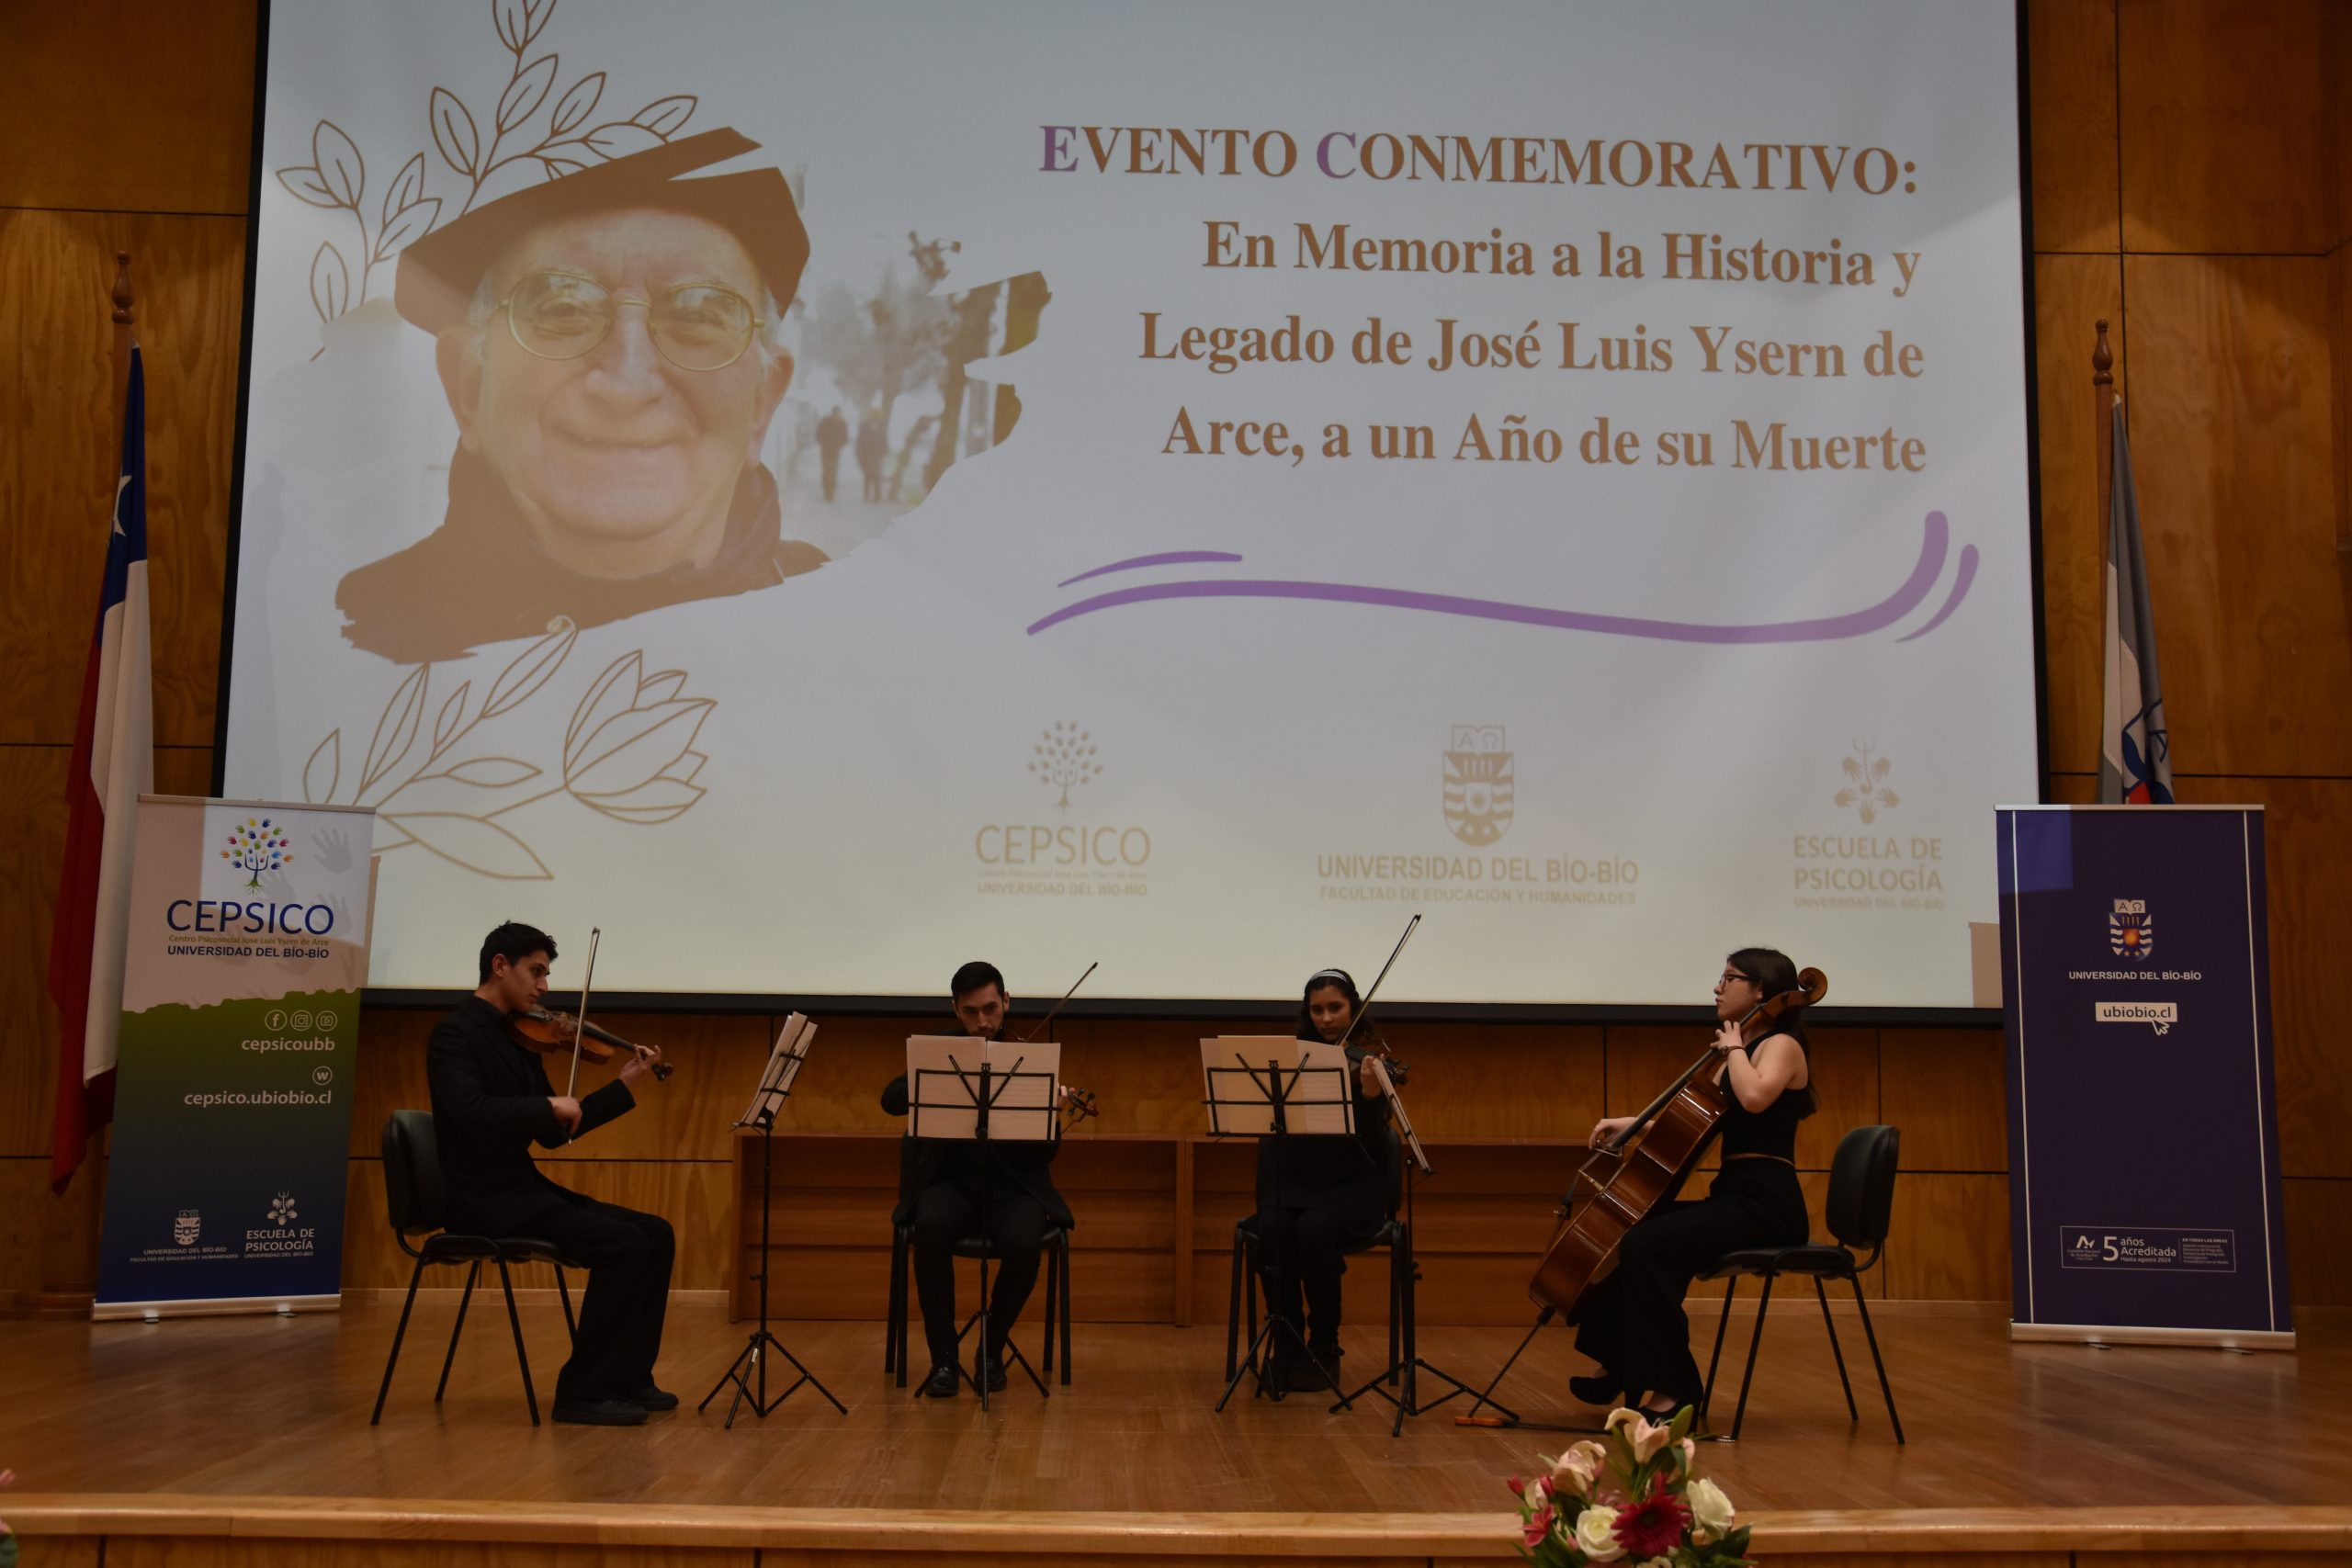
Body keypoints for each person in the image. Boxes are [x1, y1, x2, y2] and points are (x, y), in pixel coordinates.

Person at [337, 129, 828, 661]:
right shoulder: (335, 644)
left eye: (696, 317)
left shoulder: (851, 626)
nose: (626, 384)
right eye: (562, 310)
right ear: (468, 386)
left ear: (761, 404)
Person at [424, 921, 673, 1426]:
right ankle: (584, 1391)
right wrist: (544, 1105)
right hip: (482, 1198)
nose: (544, 986)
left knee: (656, 1233)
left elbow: (555, 1132)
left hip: (522, 1189)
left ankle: (628, 1377)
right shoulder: (454, 1035)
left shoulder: (521, 1036)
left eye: (547, 974)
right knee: (623, 1244)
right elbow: (469, 1110)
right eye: (536, 972)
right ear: (500, 966)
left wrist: (623, 1084)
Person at [1570, 947, 1815, 1422]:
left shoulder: (1780, 1045)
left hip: (1768, 1207)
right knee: (1636, 1229)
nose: (1717, 987)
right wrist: (1631, 1122)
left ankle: (1676, 1389)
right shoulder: (1738, 1052)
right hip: (1736, 1198)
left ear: (1761, 990)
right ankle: (1620, 1357)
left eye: (1730, 978)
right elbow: (1692, 1126)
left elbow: (1756, 1097)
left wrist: (1734, 1048)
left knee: (1650, 1244)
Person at [881, 961, 1071, 1398]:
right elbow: (890, 1100)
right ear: (955, 1009)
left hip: (1013, 1190)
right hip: (950, 1187)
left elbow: (1044, 1156)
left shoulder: (1028, 1060)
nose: (982, 1023)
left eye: (990, 1009)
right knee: (929, 1229)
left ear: (1006, 1002)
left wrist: (1050, 1114)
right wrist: (941, 1079)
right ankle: (944, 1358)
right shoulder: (940, 1050)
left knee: (1026, 1243)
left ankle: (991, 1347)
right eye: (970, 1013)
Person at [1251, 967, 1395, 1395]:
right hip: (1297, 1183)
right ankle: (1288, 1342)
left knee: (1314, 1229)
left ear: (1353, 1008)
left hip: (1353, 1187)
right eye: (1317, 1010)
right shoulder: (1291, 1062)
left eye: (1336, 1008)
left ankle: (1324, 1345)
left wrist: (1370, 1094)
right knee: (1271, 1228)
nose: (1326, 1018)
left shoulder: (1367, 1059)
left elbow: (1372, 1139)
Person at [815, 404, 849, 502]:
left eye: (838, 414)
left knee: (833, 471)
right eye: (836, 414)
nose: (837, 416)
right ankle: (826, 491)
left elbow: (845, 437)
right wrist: (823, 443)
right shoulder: (825, 422)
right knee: (826, 471)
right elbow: (818, 434)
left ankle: (831, 494)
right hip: (825, 451)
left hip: (835, 452)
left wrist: (839, 445)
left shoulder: (842, 423)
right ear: (833, 413)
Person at [854, 409, 886, 502]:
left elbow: (884, 440)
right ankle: (866, 495)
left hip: (877, 455)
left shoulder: (881, 426)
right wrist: (859, 454)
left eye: (877, 416)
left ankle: (877, 496)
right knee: (867, 476)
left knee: (877, 476)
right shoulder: (864, 426)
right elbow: (860, 441)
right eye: (874, 416)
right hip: (866, 455)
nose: (875, 418)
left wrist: (885, 452)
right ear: (871, 416)